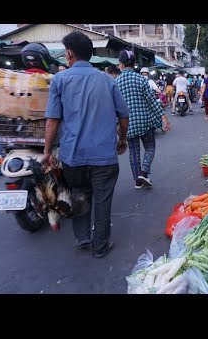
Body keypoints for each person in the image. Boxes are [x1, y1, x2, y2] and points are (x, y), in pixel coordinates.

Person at [43, 32, 130, 258]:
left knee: (80, 194)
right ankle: (100, 247)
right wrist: (122, 139)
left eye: (65, 52)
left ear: (70, 53)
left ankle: (83, 237)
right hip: (104, 157)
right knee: (102, 201)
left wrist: (46, 152)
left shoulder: (59, 80)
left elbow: (53, 120)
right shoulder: (108, 80)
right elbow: (123, 115)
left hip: (73, 156)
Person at [116, 50, 171, 189]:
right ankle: (144, 171)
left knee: (133, 152)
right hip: (145, 122)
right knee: (150, 147)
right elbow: (152, 101)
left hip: (127, 124)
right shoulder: (141, 80)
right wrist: (164, 118)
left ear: (121, 65)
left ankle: (138, 181)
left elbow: (114, 107)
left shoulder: (116, 83)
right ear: (134, 64)